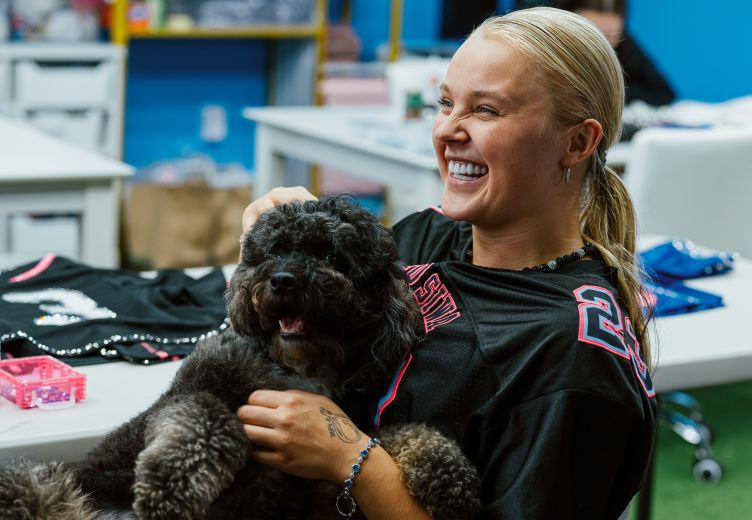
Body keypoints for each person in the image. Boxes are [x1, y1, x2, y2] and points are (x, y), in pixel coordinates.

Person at [236, 7, 657, 519]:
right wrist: (272, 254)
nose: (448, 131)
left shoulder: (571, 356)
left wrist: (349, 459)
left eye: (486, 111)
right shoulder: (428, 234)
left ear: (577, 142)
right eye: (446, 103)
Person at [555, 0, 676, 106]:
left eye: (609, 36)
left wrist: (612, 91)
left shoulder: (624, 43)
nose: (601, 47)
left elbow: (663, 93)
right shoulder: (542, 36)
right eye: (589, 35)